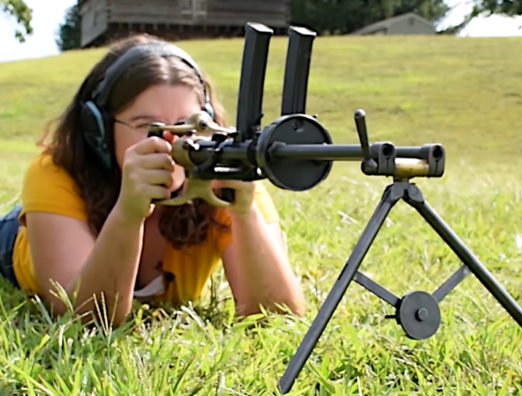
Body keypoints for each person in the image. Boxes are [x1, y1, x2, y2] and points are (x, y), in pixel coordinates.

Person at [0, 34, 305, 326]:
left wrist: (244, 212)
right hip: (15, 241)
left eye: (189, 125)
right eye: (147, 125)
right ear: (99, 131)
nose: (174, 142)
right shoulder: (55, 173)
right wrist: (129, 212)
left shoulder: (226, 179)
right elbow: (85, 316)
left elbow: (277, 315)